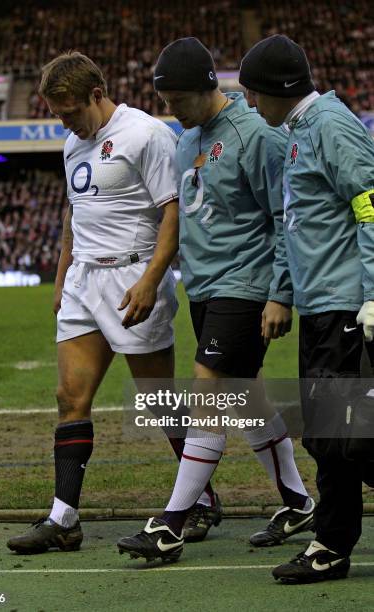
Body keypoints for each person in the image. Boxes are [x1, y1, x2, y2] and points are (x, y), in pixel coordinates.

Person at [117, 37, 314, 563]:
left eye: (177, 99)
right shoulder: (186, 139)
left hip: (245, 285)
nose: (169, 109)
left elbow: (285, 219)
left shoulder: (256, 135)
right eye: (164, 100)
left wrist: (280, 294)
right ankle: (297, 502)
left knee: (208, 394)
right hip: (205, 288)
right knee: (247, 400)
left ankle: (173, 524)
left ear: (207, 87)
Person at [6, 50, 192, 553]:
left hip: (134, 276)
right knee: (70, 398)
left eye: (70, 111)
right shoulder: (72, 144)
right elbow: (75, 216)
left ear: (96, 94)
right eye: (57, 113)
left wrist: (153, 279)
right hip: (85, 283)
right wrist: (62, 280)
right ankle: (63, 518)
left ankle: (200, 498)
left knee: (159, 401)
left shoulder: (147, 134)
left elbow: (173, 214)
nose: (65, 122)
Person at [239, 34, 374, 584]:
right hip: (322, 308)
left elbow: (370, 206)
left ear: (277, 89)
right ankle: (332, 544)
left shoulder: (332, 127)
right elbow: (300, 227)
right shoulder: (299, 132)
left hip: (347, 307)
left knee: (347, 438)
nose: (249, 103)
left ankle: (332, 541)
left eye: (252, 92)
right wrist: (283, 291)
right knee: (328, 437)